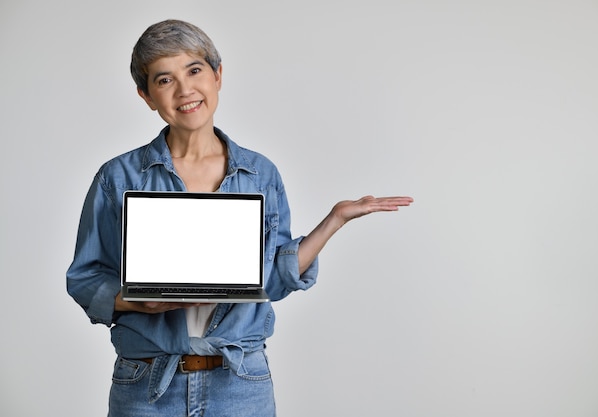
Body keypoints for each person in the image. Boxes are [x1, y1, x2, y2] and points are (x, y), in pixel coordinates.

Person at [67, 19, 413, 417]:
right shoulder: (118, 176)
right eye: (164, 80)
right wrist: (133, 301)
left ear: (217, 76)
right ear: (146, 96)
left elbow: (272, 281)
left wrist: (334, 220)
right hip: (146, 386)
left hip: (240, 385)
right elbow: (84, 278)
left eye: (194, 71)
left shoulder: (260, 174)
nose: (185, 90)